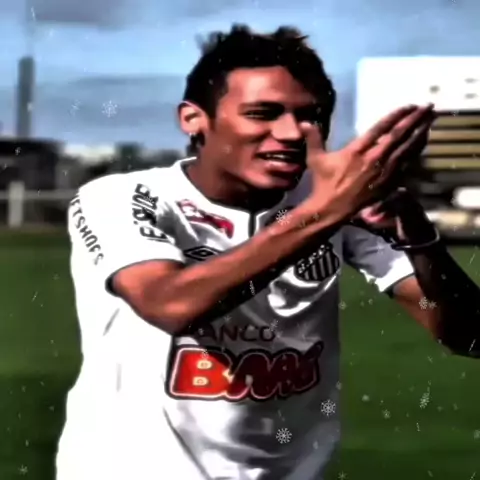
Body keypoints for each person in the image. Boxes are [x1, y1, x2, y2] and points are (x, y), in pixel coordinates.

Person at [56, 25, 480, 480]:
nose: (292, 132)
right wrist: (325, 212)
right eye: (263, 113)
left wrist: (420, 238)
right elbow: (169, 304)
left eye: (311, 116)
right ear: (193, 119)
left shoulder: (330, 203)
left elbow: (467, 335)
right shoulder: (122, 196)